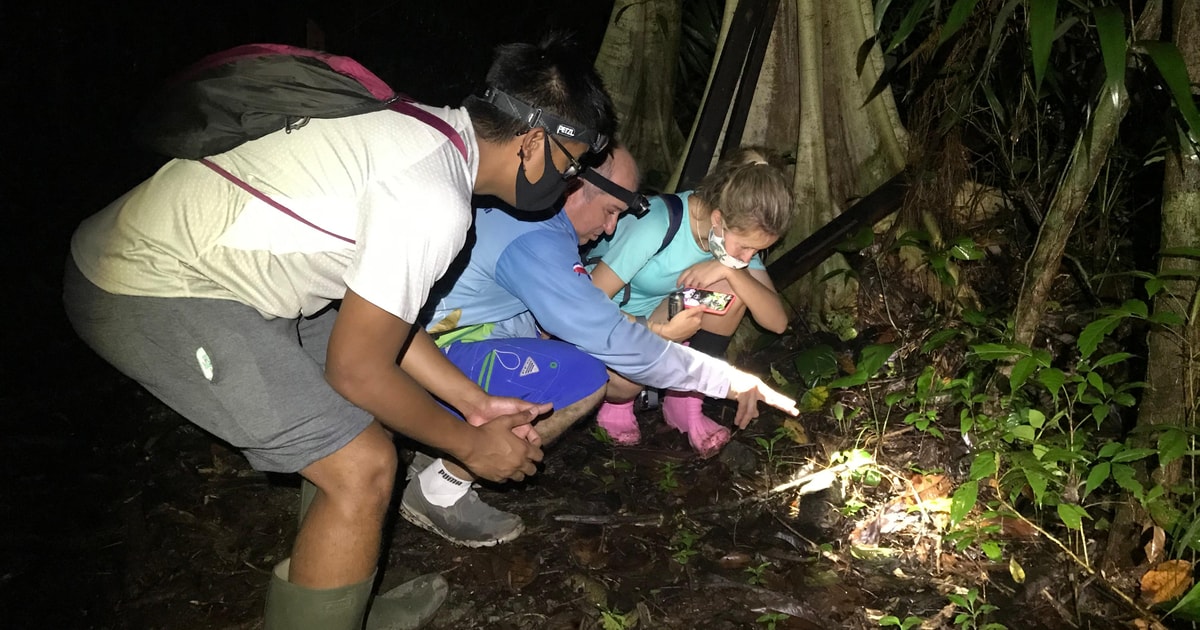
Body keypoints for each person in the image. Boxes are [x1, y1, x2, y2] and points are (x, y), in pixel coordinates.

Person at [62, 33, 616, 630]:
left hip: (215, 267)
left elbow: (387, 325)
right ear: (534, 142)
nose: (571, 181)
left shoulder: (424, 128)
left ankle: (334, 600)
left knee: (368, 418)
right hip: (148, 282)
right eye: (573, 162)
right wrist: (471, 446)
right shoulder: (431, 196)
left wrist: (472, 402)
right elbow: (357, 368)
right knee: (363, 467)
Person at [406, 145, 799, 547]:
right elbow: (605, 332)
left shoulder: (535, 221)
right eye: (611, 210)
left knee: (572, 357)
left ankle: (443, 441)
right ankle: (443, 483)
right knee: (583, 378)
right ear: (575, 186)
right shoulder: (537, 242)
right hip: (434, 352)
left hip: (456, 336)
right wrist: (725, 379)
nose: (613, 229)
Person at [586, 147, 794, 458]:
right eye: (746, 247)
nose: (748, 257)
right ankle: (618, 403)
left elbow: (776, 322)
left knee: (737, 288)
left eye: (757, 251)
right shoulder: (659, 222)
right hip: (614, 325)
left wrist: (730, 271)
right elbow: (588, 303)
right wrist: (654, 332)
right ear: (717, 219)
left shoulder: (732, 242)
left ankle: (685, 399)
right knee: (626, 379)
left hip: (663, 322)